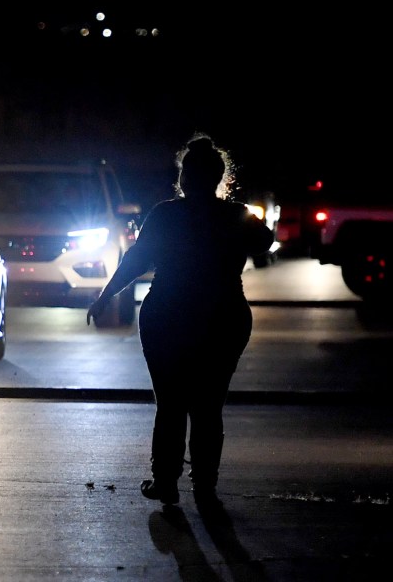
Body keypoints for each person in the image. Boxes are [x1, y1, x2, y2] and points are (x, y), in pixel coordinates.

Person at [86, 134, 275, 507]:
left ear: (184, 178)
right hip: (223, 315)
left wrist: (105, 296)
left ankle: (165, 482)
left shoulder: (165, 214)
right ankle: (205, 485)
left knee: (170, 404)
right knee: (209, 406)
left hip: (168, 315)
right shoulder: (236, 215)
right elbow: (265, 243)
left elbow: (136, 260)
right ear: (219, 177)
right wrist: (241, 216)